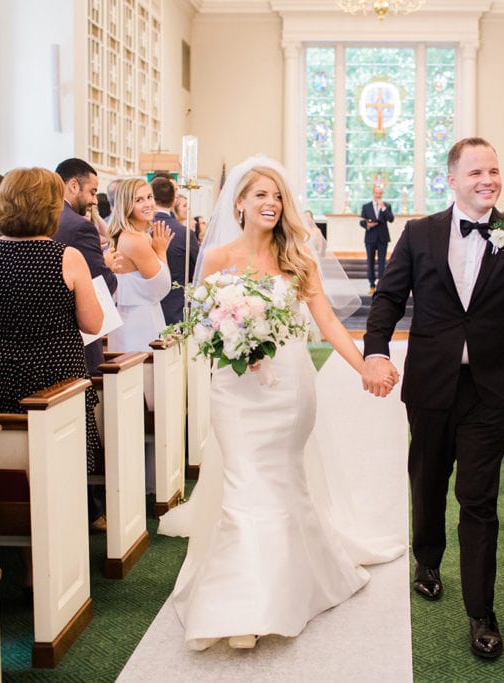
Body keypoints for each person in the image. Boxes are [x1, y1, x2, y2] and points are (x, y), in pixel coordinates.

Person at [361, 137, 504, 659]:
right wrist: (375, 352)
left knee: (479, 499)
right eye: (476, 173)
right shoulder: (420, 234)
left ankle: (481, 612)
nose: (488, 180)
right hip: (430, 383)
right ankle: (427, 558)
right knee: (426, 479)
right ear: (452, 179)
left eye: (493, 170)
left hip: (490, 386)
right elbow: (390, 298)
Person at [158, 156, 403, 651]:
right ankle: (241, 602)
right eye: (260, 195)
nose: (270, 203)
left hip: (287, 388)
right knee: (243, 484)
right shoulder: (217, 259)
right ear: (240, 203)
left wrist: (364, 367)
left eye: (277, 196)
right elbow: (202, 323)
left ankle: (266, 597)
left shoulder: (298, 258)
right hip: (234, 389)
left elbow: (329, 323)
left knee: (277, 484)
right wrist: (231, 344)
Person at [0, 167, 103, 467]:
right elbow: (93, 323)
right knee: (61, 464)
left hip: (2, 370)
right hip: (56, 374)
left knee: (12, 462)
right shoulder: (66, 257)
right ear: (50, 206)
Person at [54, 157, 117, 374]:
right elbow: (101, 284)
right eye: (92, 192)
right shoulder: (80, 226)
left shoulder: (43, 218)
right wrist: (108, 264)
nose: (94, 200)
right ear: (73, 185)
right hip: (77, 337)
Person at [106, 178, 173, 352]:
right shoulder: (134, 240)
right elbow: (162, 286)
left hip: (135, 316)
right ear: (126, 205)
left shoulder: (137, 235)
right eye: (139, 200)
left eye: (149, 197)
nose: (148, 204)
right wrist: (161, 250)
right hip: (139, 321)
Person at [151, 176, 198, 325]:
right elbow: (196, 270)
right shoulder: (185, 233)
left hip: (148, 309)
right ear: (173, 202)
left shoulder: (141, 230)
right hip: (176, 309)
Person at [359, 185, 394, 294]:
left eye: (380, 193)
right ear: (373, 193)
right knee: (370, 261)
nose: (378, 195)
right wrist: (368, 224)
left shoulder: (387, 206)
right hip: (370, 237)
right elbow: (361, 221)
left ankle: (381, 285)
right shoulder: (366, 206)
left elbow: (391, 219)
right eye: (376, 193)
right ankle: (372, 285)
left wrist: (383, 208)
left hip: (383, 237)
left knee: (382, 261)